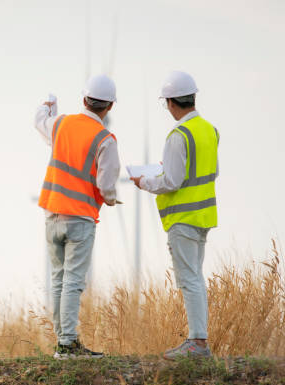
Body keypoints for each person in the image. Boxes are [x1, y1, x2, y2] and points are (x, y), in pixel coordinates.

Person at [131, 71, 219, 360]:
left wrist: (144, 182)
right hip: (204, 217)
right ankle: (198, 340)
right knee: (195, 277)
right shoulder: (209, 130)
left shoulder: (177, 136)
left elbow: (171, 182)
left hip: (183, 219)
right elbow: (211, 171)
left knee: (190, 279)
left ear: (170, 103)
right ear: (193, 97)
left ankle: (197, 343)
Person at [34, 74, 121, 359]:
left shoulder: (61, 124)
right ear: (109, 107)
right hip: (80, 218)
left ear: (84, 100)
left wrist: (49, 105)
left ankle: (63, 343)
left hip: (52, 213)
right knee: (73, 281)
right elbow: (107, 185)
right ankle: (68, 344)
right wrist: (109, 200)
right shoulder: (105, 139)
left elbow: (40, 121)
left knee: (58, 279)